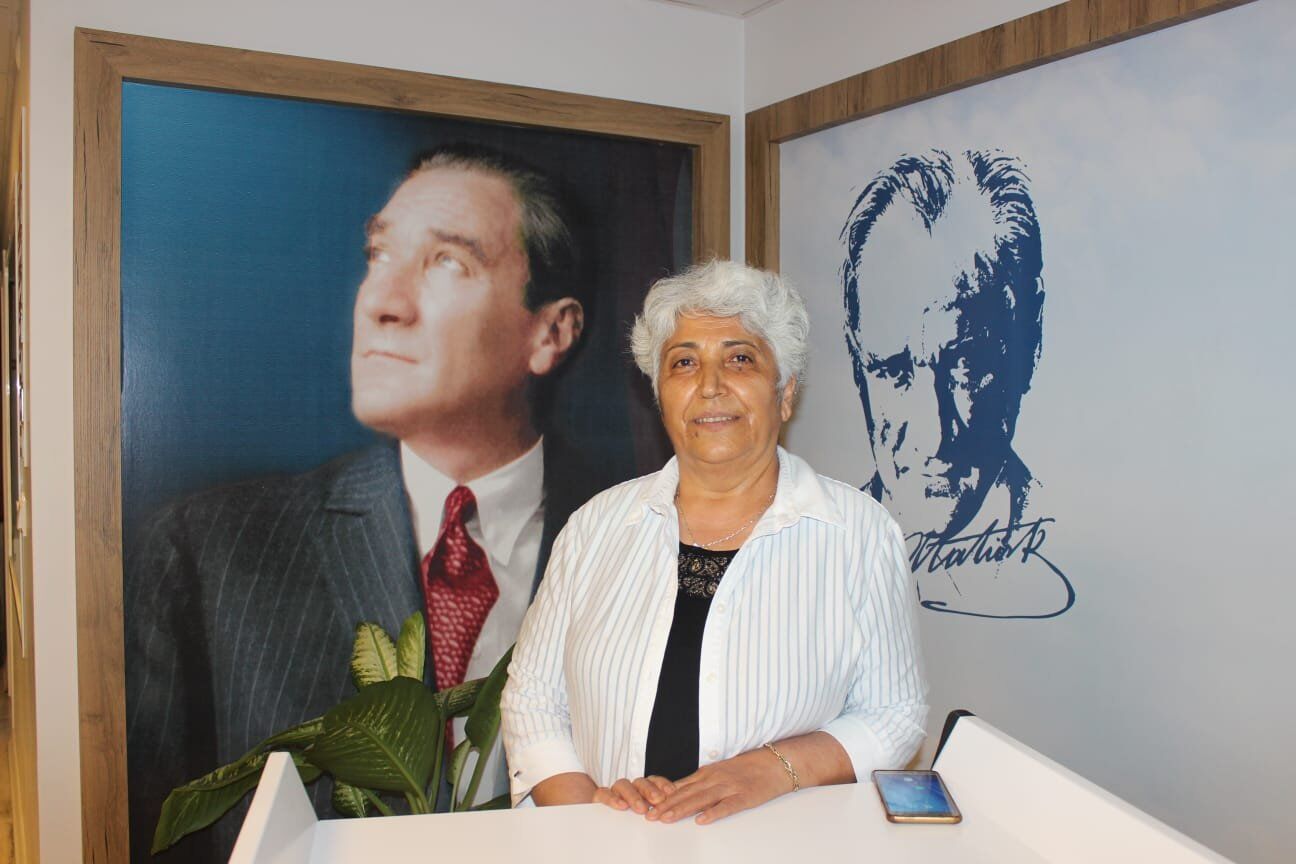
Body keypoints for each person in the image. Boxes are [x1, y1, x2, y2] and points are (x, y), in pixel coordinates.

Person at [125, 144, 610, 862]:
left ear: (551, 332)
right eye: (380, 255)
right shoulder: (208, 551)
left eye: (448, 262)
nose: (383, 303)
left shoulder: (637, 536)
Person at [500, 260, 927, 824]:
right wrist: (586, 810)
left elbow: (895, 713)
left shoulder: (860, 534)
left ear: (785, 393)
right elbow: (533, 697)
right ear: (660, 396)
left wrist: (774, 768)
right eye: (684, 363)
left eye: (740, 358)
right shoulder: (593, 528)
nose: (710, 385)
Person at [839, 148, 1072, 619]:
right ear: (857, 361)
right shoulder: (806, 554)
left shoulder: (1075, 539)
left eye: (965, 366)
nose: (934, 436)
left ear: (1031, 340)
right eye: (893, 370)